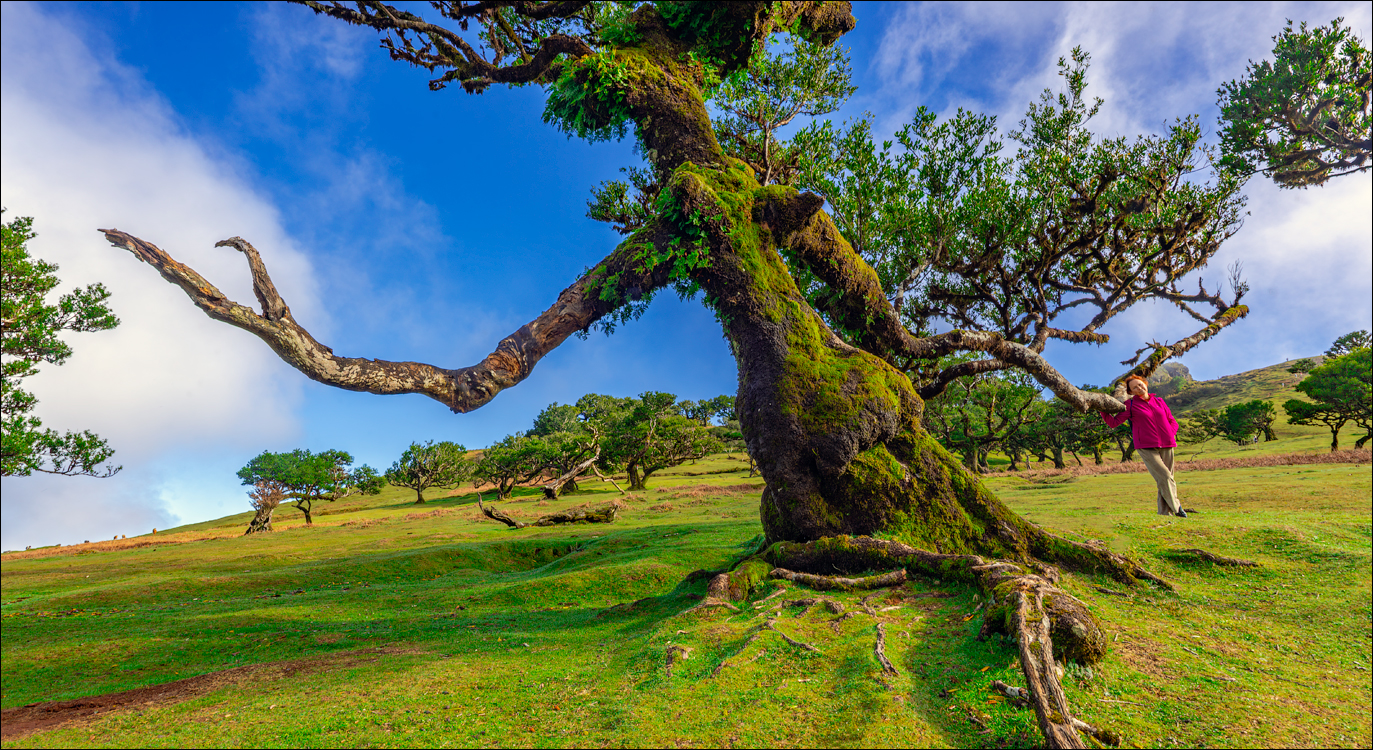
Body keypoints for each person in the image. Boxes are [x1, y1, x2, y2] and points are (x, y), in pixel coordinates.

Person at [1100, 374, 1186, 517]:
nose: (1139, 388)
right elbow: (1113, 423)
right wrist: (1102, 409)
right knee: (1165, 476)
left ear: (1145, 384)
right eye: (1134, 387)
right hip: (1145, 446)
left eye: (1140, 384)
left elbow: (1172, 420)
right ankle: (1177, 508)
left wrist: (1170, 433)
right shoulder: (1130, 405)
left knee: (1164, 479)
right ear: (1131, 392)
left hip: (1167, 444)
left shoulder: (1159, 401)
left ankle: (1164, 513)